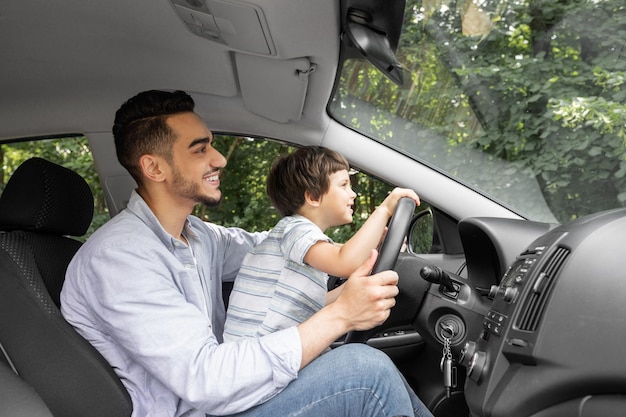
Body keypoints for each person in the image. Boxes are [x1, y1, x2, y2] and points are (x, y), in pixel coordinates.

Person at [60, 89, 434, 417]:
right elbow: (206, 381)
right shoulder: (120, 257)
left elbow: (269, 248)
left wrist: (356, 251)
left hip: (222, 401)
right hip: (200, 409)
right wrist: (340, 315)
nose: (219, 159)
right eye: (201, 149)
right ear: (154, 167)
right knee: (364, 372)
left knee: (367, 368)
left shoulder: (198, 235)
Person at [224, 146, 420, 342]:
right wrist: (384, 210)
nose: (353, 194)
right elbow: (345, 261)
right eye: (344, 185)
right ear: (314, 197)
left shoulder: (306, 245)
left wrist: (372, 259)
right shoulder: (294, 229)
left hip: (276, 351)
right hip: (258, 356)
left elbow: (318, 303)